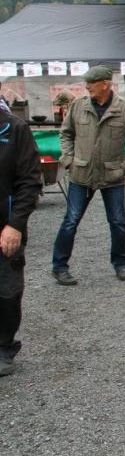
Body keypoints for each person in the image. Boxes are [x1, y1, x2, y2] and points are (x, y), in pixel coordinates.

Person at [52, 65, 125, 285]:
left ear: (106, 84)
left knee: (118, 222)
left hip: (113, 176)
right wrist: (69, 159)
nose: (87, 86)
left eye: (91, 83)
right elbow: (66, 134)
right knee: (71, 221)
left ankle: (121, 264)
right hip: (81, 175)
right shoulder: (78, 106)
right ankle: (59, 267)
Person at [0, 85, 41, 376]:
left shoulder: (15, 129)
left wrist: (15, 225)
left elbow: (30, 181)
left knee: (7, 292)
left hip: (5, 227)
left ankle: (4, 346)